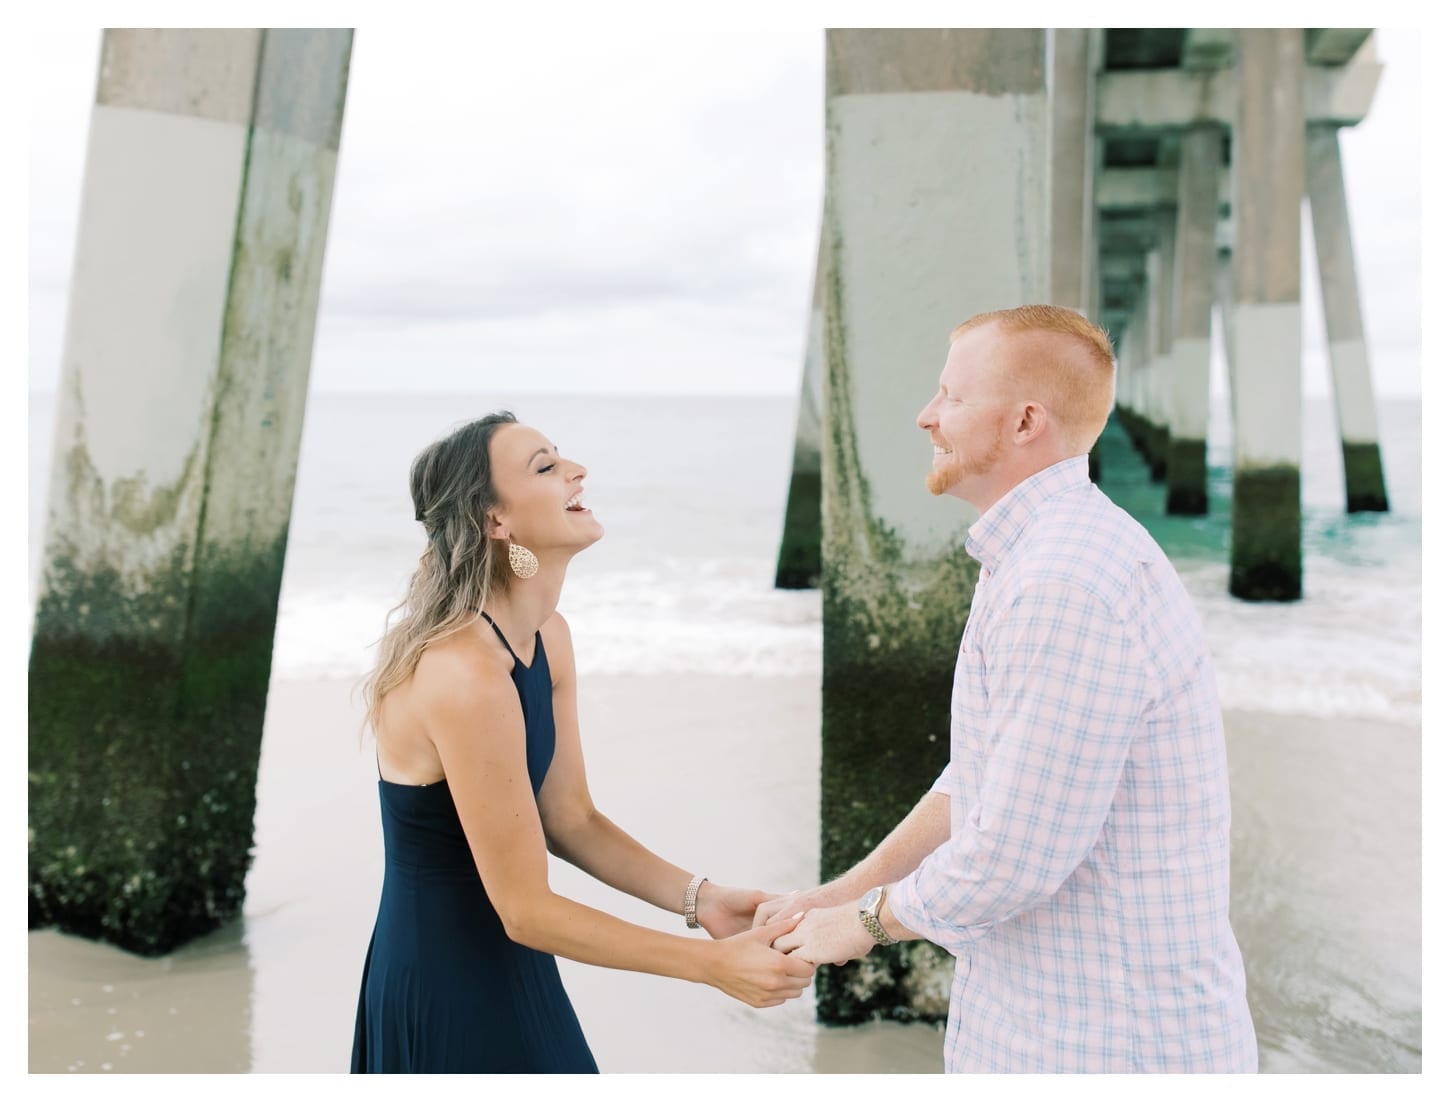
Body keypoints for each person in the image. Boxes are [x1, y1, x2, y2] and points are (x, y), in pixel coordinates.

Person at [766, 305, 1259, 1073]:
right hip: (1051, 1028)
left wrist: (864, 923)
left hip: (1110, 1046)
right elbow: (983, 780)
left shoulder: (1065, 580)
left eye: (952, 396)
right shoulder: (1038, 556)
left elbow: (1015, 856)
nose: (927, 416)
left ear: (1026, 421)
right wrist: (844, 891)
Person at [350, 412, 813, 1073]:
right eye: (544, 466)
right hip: (445, 977)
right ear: (495, 522)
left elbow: (568, 817)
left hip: (517, 961)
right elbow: (524, 908)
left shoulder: (546, 635)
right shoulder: (465, 674)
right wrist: (710, 966)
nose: (576, 470)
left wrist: (701, 898)